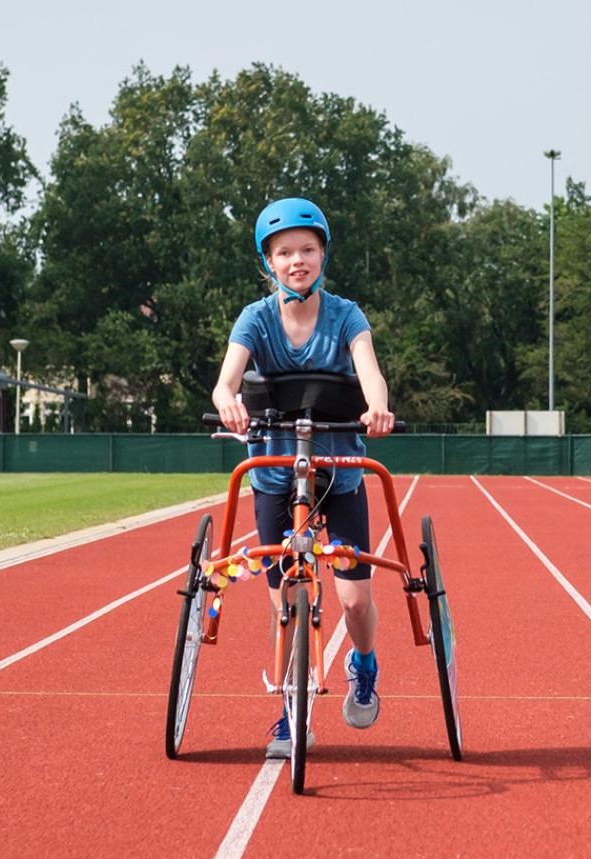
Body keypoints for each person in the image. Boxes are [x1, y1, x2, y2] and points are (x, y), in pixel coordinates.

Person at [210, 197, 396, 758]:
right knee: (285, 597)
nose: (298, 261)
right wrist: (227, 402)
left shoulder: (346, 315)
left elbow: (370, 372)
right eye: (285, 252)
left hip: (338, 471)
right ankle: (291, 709)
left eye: (307, 250)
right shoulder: (255, 317)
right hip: (274, 474)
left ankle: (363, 665)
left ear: (323, 255)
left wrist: (378, 408)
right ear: (269, 262)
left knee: (354, 599)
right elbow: (226, 382)